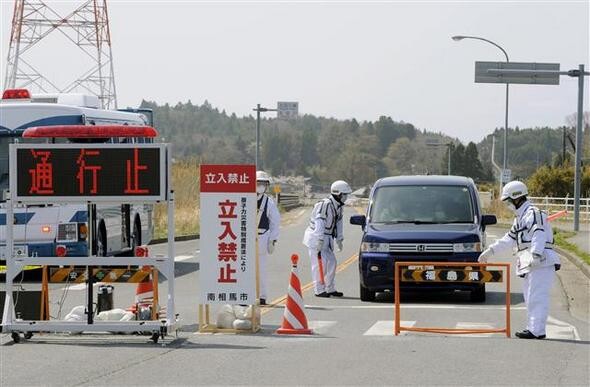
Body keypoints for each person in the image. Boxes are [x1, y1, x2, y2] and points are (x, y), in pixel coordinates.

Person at [478, 180, 560, 339]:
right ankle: (533, 328)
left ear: (517, 198)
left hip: (540, 261)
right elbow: (509, 238)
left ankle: (537, 330)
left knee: (537, 296)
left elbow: (539, 234)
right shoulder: (520, 217)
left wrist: (535, 254)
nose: (508, 204)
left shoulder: (533, 213)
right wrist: (490, 251)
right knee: (530, 296)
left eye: (508, 201)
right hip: (529, 262)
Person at [303, 180, 352, 297]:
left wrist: (339, 239)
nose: (346, 197)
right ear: (338, 194)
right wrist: (319, 239)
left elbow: (339, 223)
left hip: (327, 237)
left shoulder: (339, 207)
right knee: (319, 264)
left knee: (332, 263)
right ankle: (319, 290)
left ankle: (330, 288)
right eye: (344, 195)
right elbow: (319, 222)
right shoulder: (324, 205)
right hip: (316, 237)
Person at [255, 170, 280, 306]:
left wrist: (272, 240)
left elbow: (275, 222)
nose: (261, 186)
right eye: (259, 183)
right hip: (246, 238)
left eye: (264, 184)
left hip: (262, 236)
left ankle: (262, 296)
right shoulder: (244, 198)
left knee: (261, 268)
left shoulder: (268, 202)